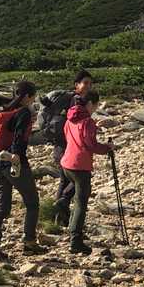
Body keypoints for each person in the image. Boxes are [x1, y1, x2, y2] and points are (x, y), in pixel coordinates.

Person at [0, 80, 41, 260]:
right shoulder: (23, 112)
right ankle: (29, 243)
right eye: (33, 97)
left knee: (1, 207)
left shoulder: (1, 112)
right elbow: (19, 136)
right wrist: (16, 155)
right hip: (14, 162)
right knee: (32, 202)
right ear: (27, 96)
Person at [60, 90, 113, 257]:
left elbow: (69, 137)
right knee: (81, 204)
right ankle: (75, 240)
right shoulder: (87, 121)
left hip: (67, 163)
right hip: (80, 165)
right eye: (96, 105)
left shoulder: (70, 118)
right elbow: (91, 145)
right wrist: (107, 148)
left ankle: (62, 201)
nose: (96, 108)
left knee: (74, 188)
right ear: (90, 103)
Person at [38, 70, 93, 227]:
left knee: (65, 180)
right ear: (76, 84)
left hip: (60, 145)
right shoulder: (76, 101)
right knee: (76, 180)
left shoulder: (68, 99)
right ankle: (62, 210)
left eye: (90, 83)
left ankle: (59, 216)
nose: (88, 86)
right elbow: (76, 126)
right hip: (67, 147)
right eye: (85, 83)